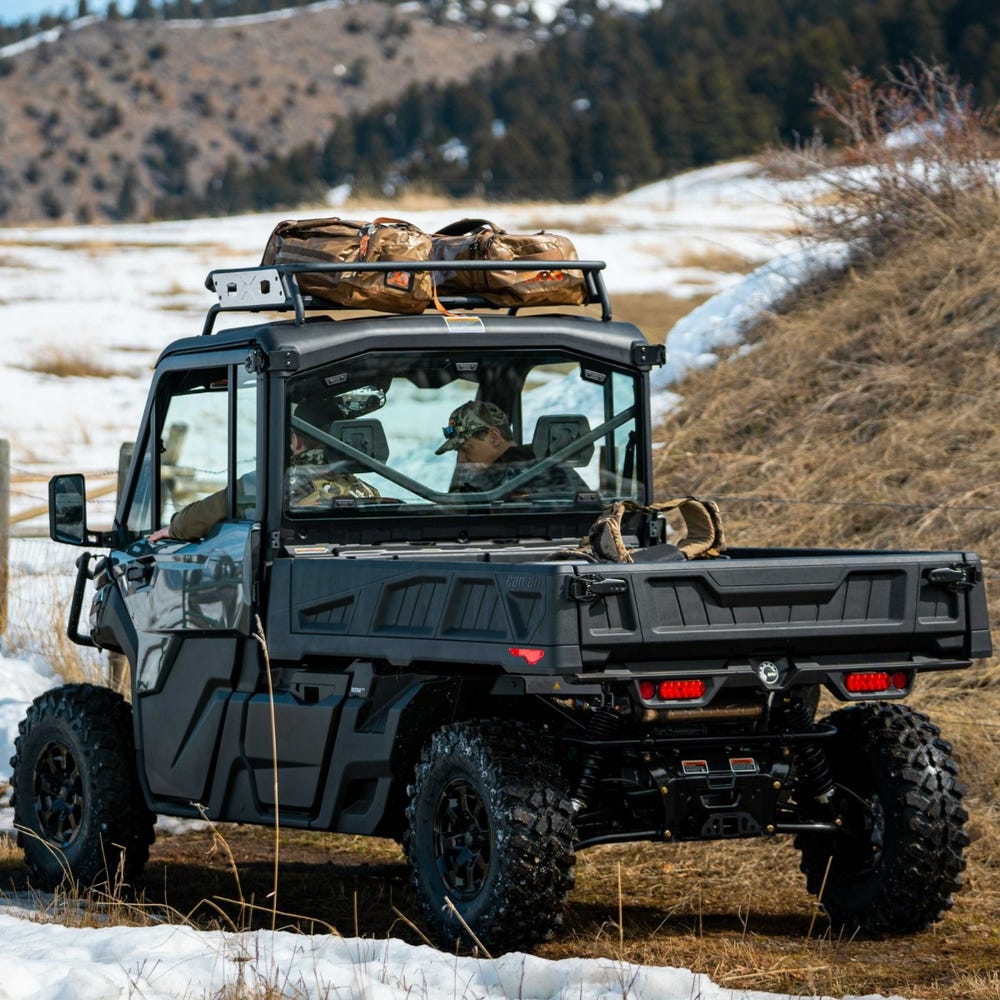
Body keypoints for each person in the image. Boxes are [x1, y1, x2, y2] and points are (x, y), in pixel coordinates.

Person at [149, 395, 379, 542]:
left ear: (295, 441)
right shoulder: (367, 491)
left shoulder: (271, 485)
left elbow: (199, 518)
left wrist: (174, 528)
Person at [436, 400, 587, 496]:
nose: (461, 459)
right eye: (458, 452)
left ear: (494, 437)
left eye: (466, 448)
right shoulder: (535, 463)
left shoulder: (523, 473)